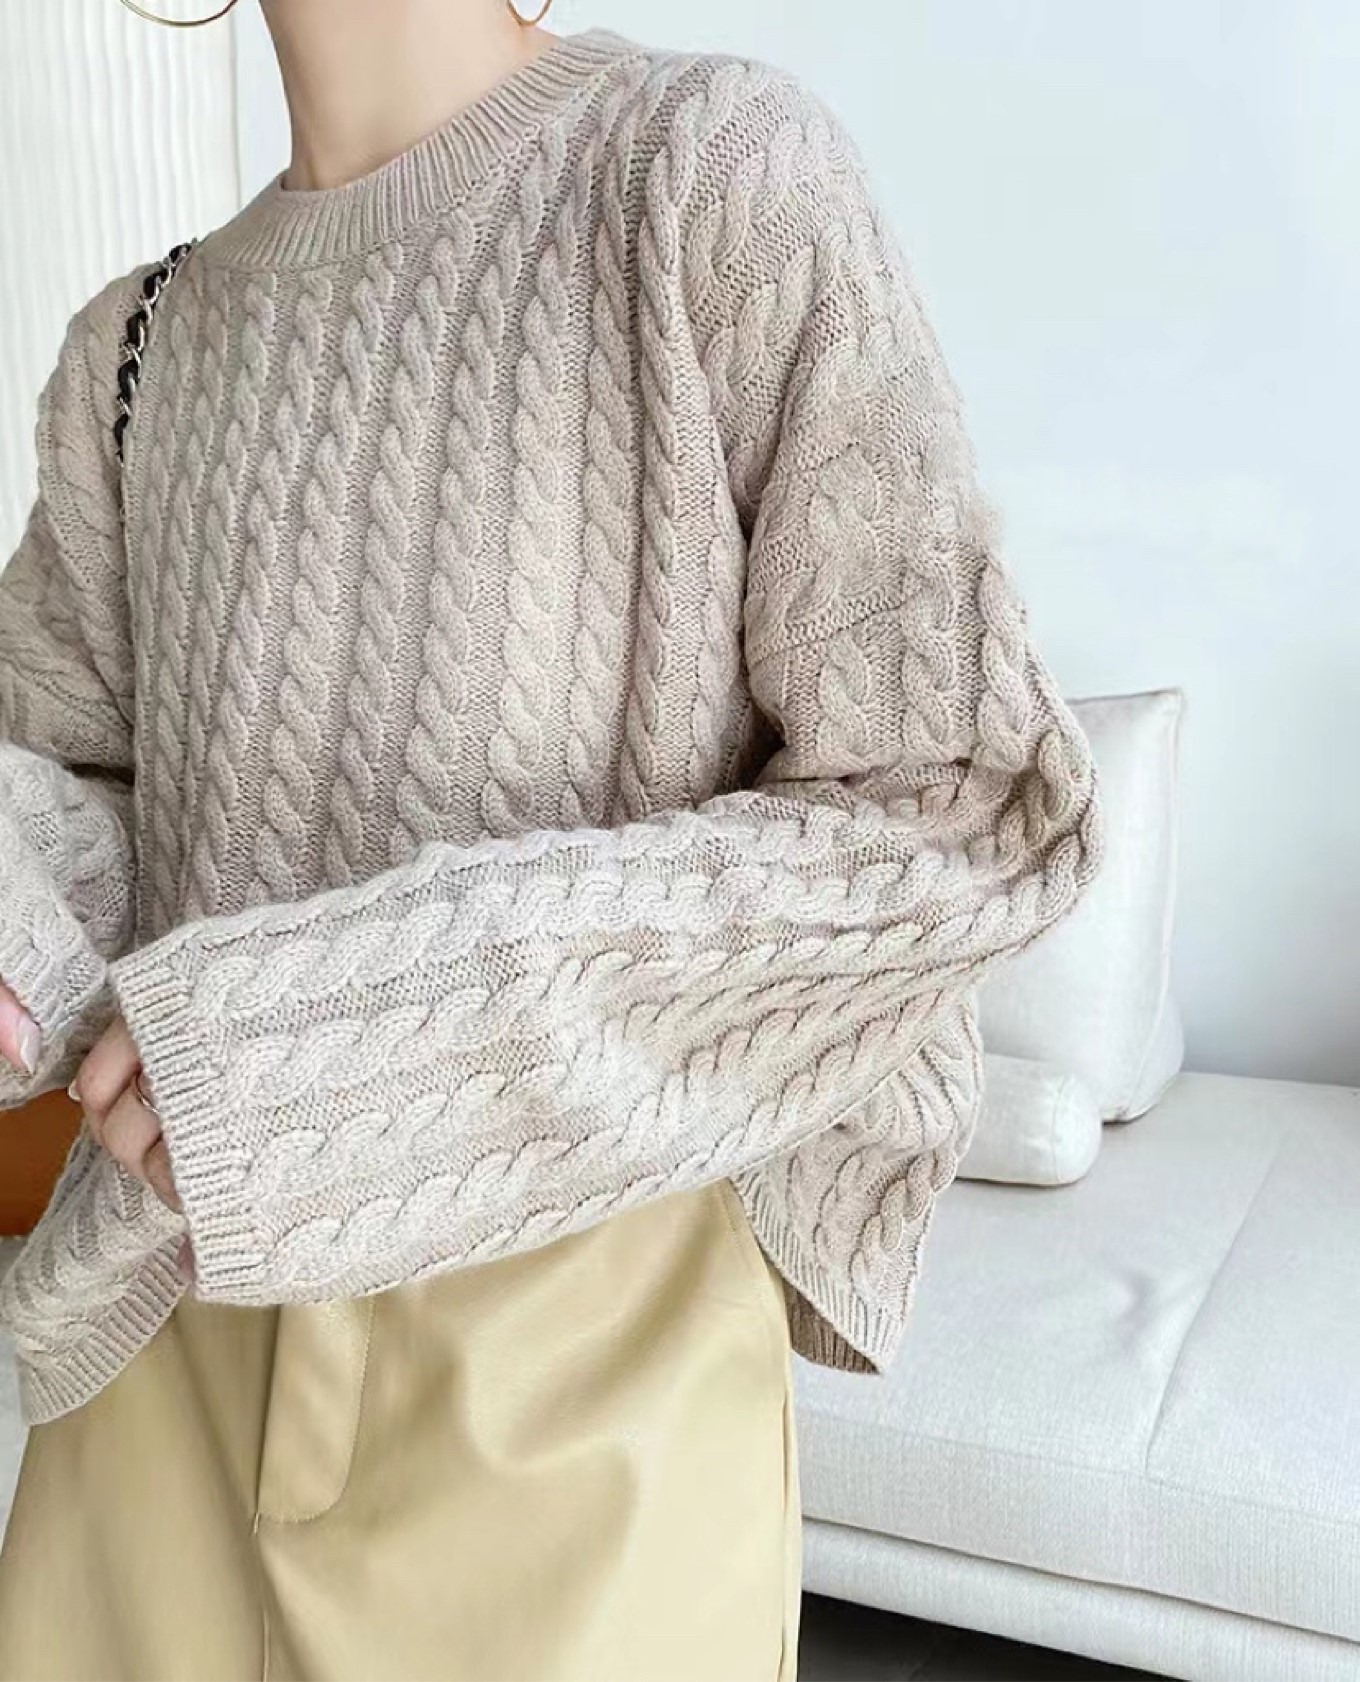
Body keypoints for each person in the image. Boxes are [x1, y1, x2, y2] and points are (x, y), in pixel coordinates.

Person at [0, 0, 1104, 1677]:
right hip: (157, 1358)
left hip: (576, 1381)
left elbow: (960, 807)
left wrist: (340, 1044)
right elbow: (87, 783)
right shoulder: (134, 349)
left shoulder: (707, 179)